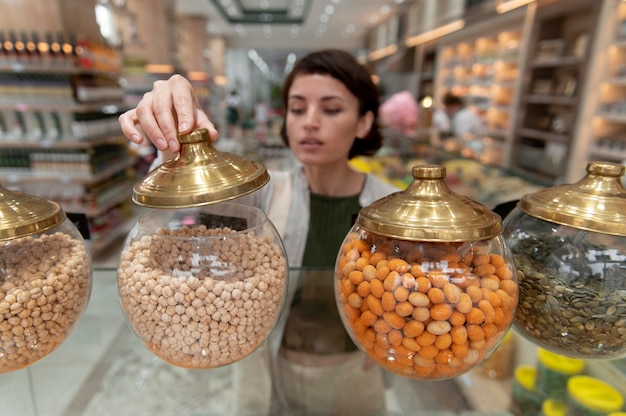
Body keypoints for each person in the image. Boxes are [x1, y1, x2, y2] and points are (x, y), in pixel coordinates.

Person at [119, 48, 399, 416]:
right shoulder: (265, 192)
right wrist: (174, 130)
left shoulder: (389, 207)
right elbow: (190, 205)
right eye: (297, 109)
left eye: (331, 109)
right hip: (266, 372)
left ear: (363, 123)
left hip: (353, 375)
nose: (310, 122)